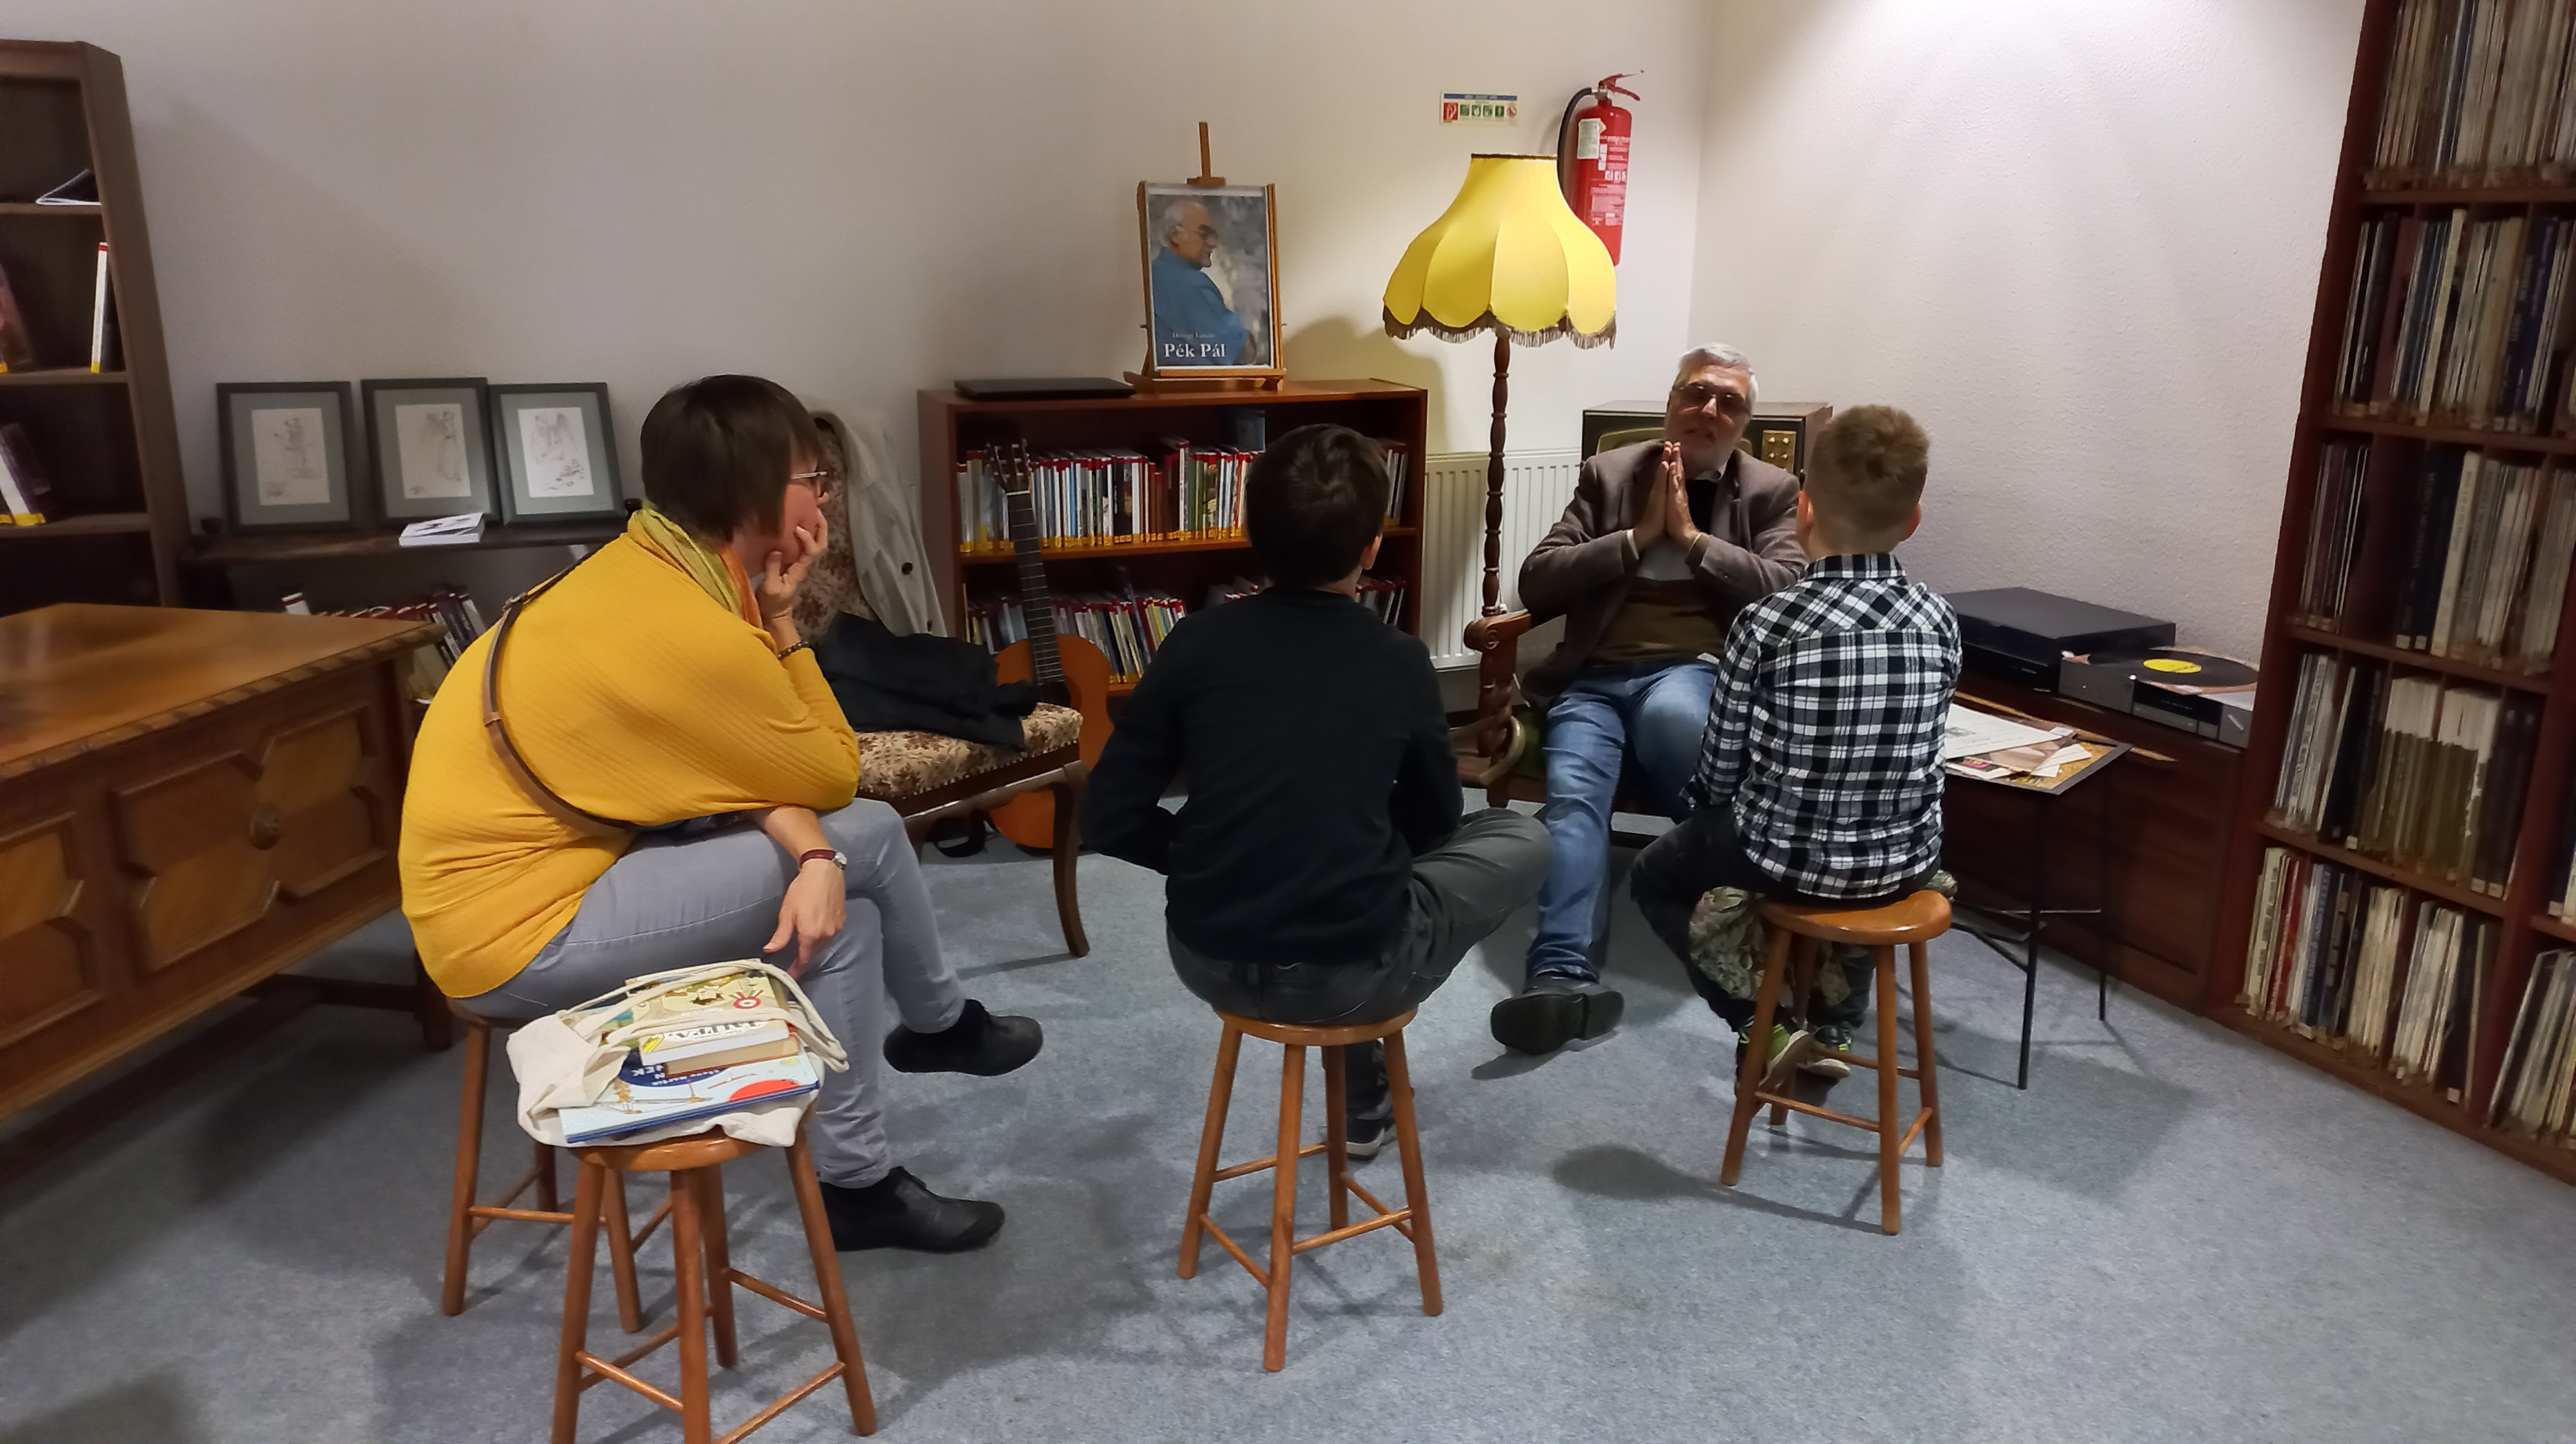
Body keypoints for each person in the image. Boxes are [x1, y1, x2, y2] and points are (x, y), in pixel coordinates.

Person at [399, 374, 1041, 1254]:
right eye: (814, 478)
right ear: (758, 492)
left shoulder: (639, 569)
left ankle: (860, 1185)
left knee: (843, 916)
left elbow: (736, 775)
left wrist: (814, 863)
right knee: (871, 831)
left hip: (522, 888)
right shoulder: (695, 630)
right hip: (517, 935)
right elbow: (833, 772)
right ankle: (941, 1026)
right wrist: (786, 628)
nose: (826, 498)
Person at [1084, 424, 1550, 1154]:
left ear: (1250, 535)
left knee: (1347, 864)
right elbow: (1437, 824)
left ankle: (1361, 1083)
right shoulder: (1399, 660)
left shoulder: (1194, 641)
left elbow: (1106, 817)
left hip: (1205, 955)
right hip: (1349, 976)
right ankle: (1362, 1087)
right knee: (1524, 834)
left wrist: (1218, 859)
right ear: (1371, 548)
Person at [1627, 405, 1959, 1079]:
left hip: (1781, 857)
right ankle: (1835, 1030)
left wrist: (1704, 810)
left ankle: (1762, 1021)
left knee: (1653, 877)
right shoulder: (1940, 619)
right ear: (1914, 520)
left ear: (1803, 509)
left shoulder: (1768, 623)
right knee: (1861, 863)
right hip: (1907, 861)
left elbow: (1720, 768)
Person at [1491, 343, 1804, 1056]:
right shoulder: (1609, 474)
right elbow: (1538, 579)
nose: (1709, 410)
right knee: (1573, 799)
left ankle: (1732, 919)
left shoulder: (1769, 490)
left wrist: (1691, 541)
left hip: (1692, 671)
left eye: (1729, 402)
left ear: (1743, 424)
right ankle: (1559, 977)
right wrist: (1634, 540)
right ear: (1670, 404)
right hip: (1595, 680)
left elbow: (1788, 591)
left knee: (1670, 718)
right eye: (1696, 393)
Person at [1150, 197, 1249, 367]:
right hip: (1200, 383)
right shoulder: (1190, 283)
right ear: (1175, 235)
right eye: (1204, 234)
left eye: (1213, 235)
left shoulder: (1157, 271)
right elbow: (1238, 350)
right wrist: (1250, 341)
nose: (1213, 243)